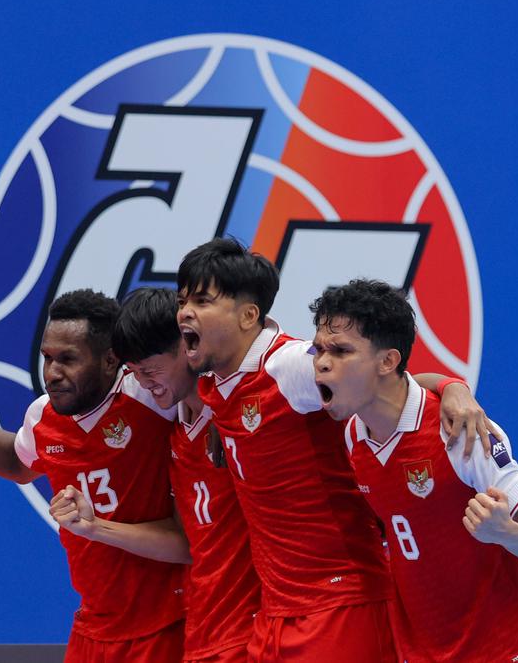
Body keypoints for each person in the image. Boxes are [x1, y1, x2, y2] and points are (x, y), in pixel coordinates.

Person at [173, 238, 491, 662]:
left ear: (249, 315)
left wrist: (453, 388)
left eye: (201, 300)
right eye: (182, 301)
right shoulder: (218, 384)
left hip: (339, 606)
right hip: (277, 613)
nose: (184, 312)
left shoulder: (288, 366)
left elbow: (382, 379)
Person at [0, 289, 185, 663]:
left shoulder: (154, 397)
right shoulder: (43, 417)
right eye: (47, 358)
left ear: (110, 360)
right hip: (93, 628)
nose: (52, 374)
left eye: (68, 359)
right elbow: (15, 462)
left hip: (168, 624)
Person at [310, 278, 518, 663]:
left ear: (387, 361)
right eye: (319, 350)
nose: (322, 362)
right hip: (424, 651)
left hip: (509, 648)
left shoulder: (460, 433)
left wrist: (506, 532)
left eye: (341, 350)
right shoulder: (353, 436)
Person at [51, 287, 261, 663]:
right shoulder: (177, 434)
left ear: (187, 348)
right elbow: (186, 544)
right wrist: (95, 527)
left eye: (149, 370)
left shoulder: (240, 416)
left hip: (255, 629)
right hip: (203, 630)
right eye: (134, 373)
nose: (144, 383)